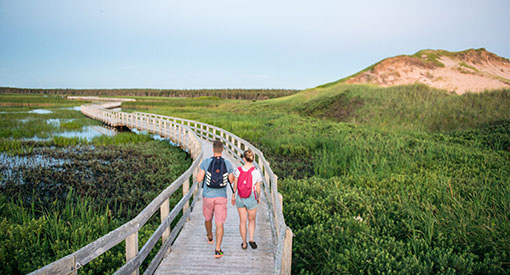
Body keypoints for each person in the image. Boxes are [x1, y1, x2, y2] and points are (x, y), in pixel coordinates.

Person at [196, 140, 234, 258]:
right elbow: (231, 180)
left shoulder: (206, 162)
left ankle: (209, 236)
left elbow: (199, 179)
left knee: (208, 218)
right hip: (221, 197)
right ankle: (217, 250)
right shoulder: (227, 164)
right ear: (222, 150)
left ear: (213, 150)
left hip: (208, 196)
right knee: (219, 223)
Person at [231, 149, 262, 250]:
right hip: (251, 197)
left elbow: (235, 185)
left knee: (242, 221)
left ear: (244, 159)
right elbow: (258, 188)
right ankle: (251, 239)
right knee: (251, 220)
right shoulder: (256, 172)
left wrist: (233, 196)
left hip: (240, 197)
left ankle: (244, 243)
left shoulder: (238, 170)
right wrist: (258, 198)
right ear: (253, 159)